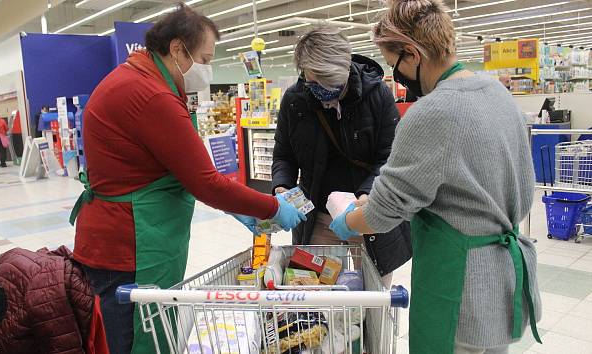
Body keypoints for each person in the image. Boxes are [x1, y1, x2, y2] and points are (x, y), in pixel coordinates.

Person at [69, 4, 305, 354]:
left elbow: (174, 167)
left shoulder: (137, 78)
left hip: (126, 239)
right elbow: (205, 182)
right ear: (178, 49)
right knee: (136, 340)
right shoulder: (151, 95)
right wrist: (272, 207)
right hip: (131, 247)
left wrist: (236, 207)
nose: (207, 69)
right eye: (206, 59)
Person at [328, 0, 542, 353]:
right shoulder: (498, 95)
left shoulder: (432, 112)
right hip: (503, 277)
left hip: (458, 286)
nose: (393, 73)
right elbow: (464, 185)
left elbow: (382, 215)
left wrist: (349, 219)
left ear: (412, 54)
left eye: (392, 63)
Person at [272, 26, 411, 287]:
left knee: (374, 298)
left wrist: (367, 196)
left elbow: (390, 156)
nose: (322, 89)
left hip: (368, 215)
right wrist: (282, 188)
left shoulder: (378, 95)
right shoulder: (295, 100)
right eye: (314, 82)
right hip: (318, 217)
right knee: (314, 291)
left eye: (330, 82)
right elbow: (284, 155)